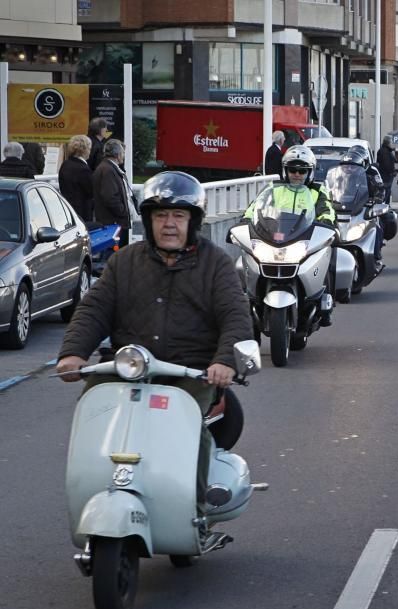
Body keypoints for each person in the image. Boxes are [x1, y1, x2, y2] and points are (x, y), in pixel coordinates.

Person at [55, 171, 254, 507]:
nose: (169, 224)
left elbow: (236, 315)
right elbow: (94, 309)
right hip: (128, 367)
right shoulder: (125, 262)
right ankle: (89, 488)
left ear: (193, 221)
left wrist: (223, 362)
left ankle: (195, 504)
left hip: (191, 372)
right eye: (160, 215)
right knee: (93, 412)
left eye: (179, 215)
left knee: (191, 429)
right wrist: (73, 353)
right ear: (148, 221)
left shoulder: (216, 264)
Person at [243, 145, 339, 324]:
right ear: (285, 170)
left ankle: (326, 300)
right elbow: (255, 207)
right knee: (244, 264)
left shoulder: (318, 191)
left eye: (302, 170)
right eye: (292, 169)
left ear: (310, 172)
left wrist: (327, 223)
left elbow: (327, 210)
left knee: (329, 251)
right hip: (274, 239)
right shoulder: (273, 189)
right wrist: (244, 221)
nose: (297, 174)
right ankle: (248, 303)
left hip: (303, 239)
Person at [92, 139, 137, 245]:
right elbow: (110, 197)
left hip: (113, 222)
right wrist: (123, 212)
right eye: (123, 153)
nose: (123, 156)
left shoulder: (107, 168)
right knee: (116, 256)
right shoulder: (108, 170)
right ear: (118, 154)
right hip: (114, 223)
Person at [58, 135, 96, 228]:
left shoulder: (65, 164)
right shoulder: (83, 169)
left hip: (67, 208)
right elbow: (91, 191)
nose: (90, 152)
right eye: (89, 149)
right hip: (82, 211)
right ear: (84, 150)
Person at [376, 137, 397, 204]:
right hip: (386, 175)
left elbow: (395, 160)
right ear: (388, 143)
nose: (392, 144)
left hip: (386, 174)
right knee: (386, 191)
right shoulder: (385, 152)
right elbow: (387, 164)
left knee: (388, 191)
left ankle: (386, 205)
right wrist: (392, 172)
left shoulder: (387, 151)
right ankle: (384, 204)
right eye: (391, 143)